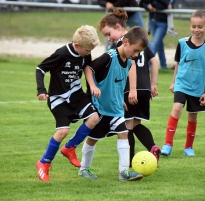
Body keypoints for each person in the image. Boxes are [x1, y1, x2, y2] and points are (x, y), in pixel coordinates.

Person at [79, 26, 149, 181]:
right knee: (93, 138)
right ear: (126, 42)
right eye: (135, 50)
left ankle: (124, 172)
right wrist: (93, 86)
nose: (136, 55)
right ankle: (84, 169)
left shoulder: (129, 62)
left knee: (123, 133)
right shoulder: (109, 57)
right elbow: (88, 68)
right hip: (100, 107)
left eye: (139, 52)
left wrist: (120, 100)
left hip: (116, 108)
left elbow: (117, 83)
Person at [35, 25, 100, 182]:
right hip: (59, 98)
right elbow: (40, 69)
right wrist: (41, 90)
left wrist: (91, 87)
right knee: (63, 131)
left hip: (77, 95)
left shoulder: (85, 53)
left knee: (94, 118)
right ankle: (43, 163)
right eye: (87, 50)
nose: (89, 54)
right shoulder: (62, 54)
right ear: (77, 45)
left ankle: (70, 148)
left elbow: (86, 68)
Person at [98, 8, 161, 165]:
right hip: (145, 88)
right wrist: (153, 84)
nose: (108, 38)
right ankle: (152, 147)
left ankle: (130, 163)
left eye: (108, 34)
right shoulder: (139, 39)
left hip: (130, 90)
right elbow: (155, 61)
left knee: (126, 127)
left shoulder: (122, 44)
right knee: (136, 124)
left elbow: (131, 66)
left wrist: (132, 89)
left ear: (118, 27)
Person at [161, 10, 205, 157]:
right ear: (190, 26)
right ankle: (167, 144)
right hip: (181, 84)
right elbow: (177, 64)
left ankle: (188, 148)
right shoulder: (182, 43)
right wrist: (173, 82)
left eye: (200, 26)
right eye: (194, 26)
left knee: (192, 117)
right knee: (177, 109)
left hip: (198, 88)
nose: (196, 29)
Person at [140, 0, 170, 70]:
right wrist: (147, 6)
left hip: (163, 22)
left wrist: (153, 4)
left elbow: (168, 5)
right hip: (152, 21)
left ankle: (145, 66)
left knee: (155, 45)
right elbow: (142, 3)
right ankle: (164, 67)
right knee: (159, 45)